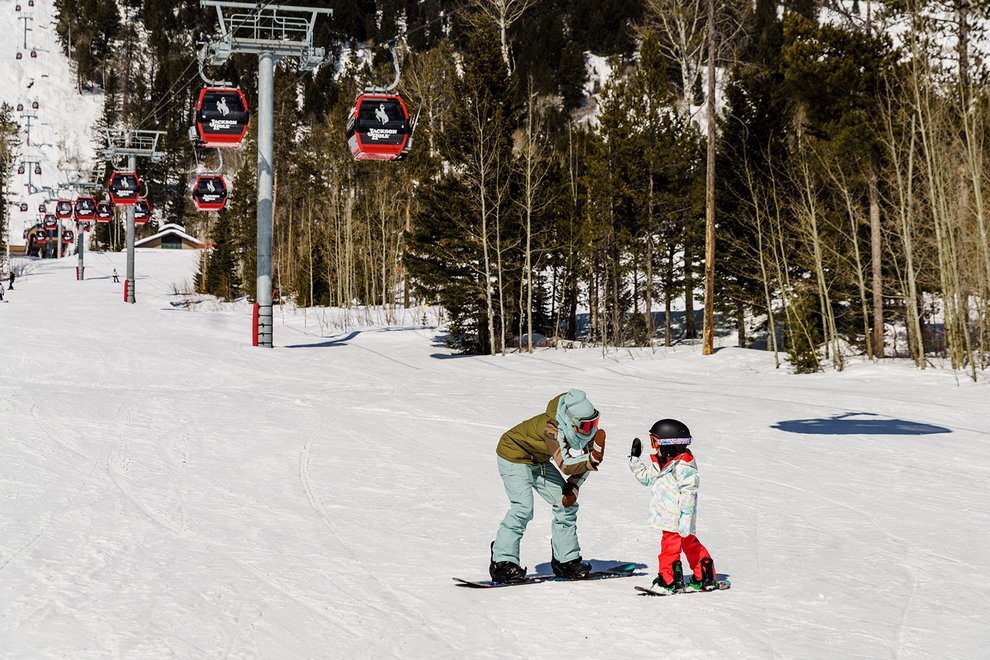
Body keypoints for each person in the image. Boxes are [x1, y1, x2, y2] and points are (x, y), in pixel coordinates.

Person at [489, 389, 606, 583]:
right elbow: (566, 465)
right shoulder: (552, 429)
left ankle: (565, 560)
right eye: (586, 425)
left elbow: (588, 463)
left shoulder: (587, 430)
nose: (591, 429)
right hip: (513, 455)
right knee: (523, 508)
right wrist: (590, 459)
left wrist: (574, 486)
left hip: (538, 460)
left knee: (565, 504)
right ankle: (502, 561)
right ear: (571, 420)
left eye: (595, 422)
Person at [628, 418, 716, 592]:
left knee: (669, 549)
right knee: (690, 544)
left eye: (655, 442)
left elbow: (689, 495)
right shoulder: (662, 464)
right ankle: (705, 575)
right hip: (669, 517)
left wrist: (685, 520)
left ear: (669, 445)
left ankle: (668, 581)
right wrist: (635, 460)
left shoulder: (684, 467)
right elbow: (647, 479)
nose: (654, 447)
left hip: (677, 518)